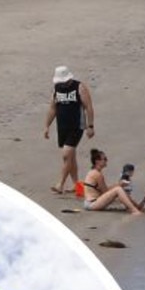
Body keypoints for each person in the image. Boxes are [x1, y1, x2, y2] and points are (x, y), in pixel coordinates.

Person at [43, 65, 95, 196]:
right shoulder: (57, 89)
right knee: (71, 157)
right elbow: (53, 108)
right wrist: (47, 126)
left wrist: (90, 126)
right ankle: (77, 186)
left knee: (66, 154)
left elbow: (88, 107)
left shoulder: (79, 87)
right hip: (62, 126)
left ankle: (60, 184)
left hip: (77, 126)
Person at [81, 149, 143, 214]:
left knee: (120, 190)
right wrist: (119, 185)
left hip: (94, 201)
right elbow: (105, 191)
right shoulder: (97, 174)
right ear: (97, 161)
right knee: (118, 190)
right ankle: (134, 210)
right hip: (92, 203)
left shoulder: (95, 172)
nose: (106, 161)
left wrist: (119, 185)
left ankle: (137, 206)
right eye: (104, 159)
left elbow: (105, 190)